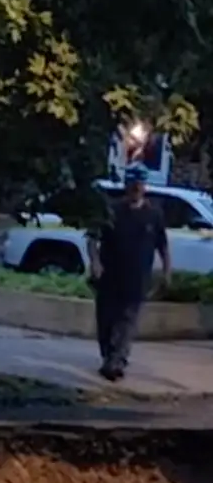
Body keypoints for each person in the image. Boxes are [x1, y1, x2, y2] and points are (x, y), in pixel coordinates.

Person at [88, 163, 171, 381]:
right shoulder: (111, 210)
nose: (136, 188)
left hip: (137, 279)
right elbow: (92, 239)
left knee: (127, 321)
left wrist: (166, 271)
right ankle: (109, 356)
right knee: (106, 321)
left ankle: (117, 361)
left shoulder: (154, 214)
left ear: (145, 186)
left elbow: (163, 246)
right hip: (109, 277)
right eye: (133, 184)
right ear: (126, 185)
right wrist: (95, 262)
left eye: (140, 184)